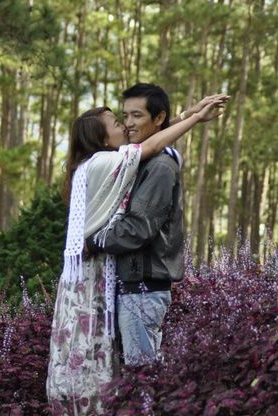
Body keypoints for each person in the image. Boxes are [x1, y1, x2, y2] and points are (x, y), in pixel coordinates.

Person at [47, 94, 226, 415]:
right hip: (92, 276)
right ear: (102, 139)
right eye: (118, 123)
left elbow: (149, 139)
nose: (126, 126)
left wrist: (186, 114)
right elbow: (152, 145)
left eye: (130, 119)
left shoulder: (92, 164)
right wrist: (195, 120)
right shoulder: (103, 162)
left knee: (95, 352)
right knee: (94, 355)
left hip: (90, 275)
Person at [86, 83, 227, 367]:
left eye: (137, 116)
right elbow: (149, 141)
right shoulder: (140, 158)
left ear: (158, 117)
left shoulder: (160, 167)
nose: (128, 124)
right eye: (125, 116)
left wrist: (93, 240)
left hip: (143, 288)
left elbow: (138, 229)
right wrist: (190, 114)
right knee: (134, 374)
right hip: (132, 286)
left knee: (141, 375)